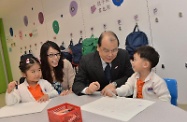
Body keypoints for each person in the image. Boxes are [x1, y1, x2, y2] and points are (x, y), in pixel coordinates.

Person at [72, 31, 134, 95]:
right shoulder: (87, 60)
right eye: (106, 50)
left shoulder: (123, 55)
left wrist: (114, 84)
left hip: (119, 96)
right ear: (98, 47)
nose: (110, 54)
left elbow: (130, 76)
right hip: (97, 98)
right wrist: (88, 90)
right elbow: (77, 84)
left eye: (114, 50)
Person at [106, 45, 171, 102]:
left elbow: (165, 99)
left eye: (135, 60)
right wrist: (116, 91)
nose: (132, 62)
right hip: (138, 108)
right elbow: (127, 88)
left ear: (145, 64)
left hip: (152, 112)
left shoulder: (157, 82)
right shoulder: (134, 77)